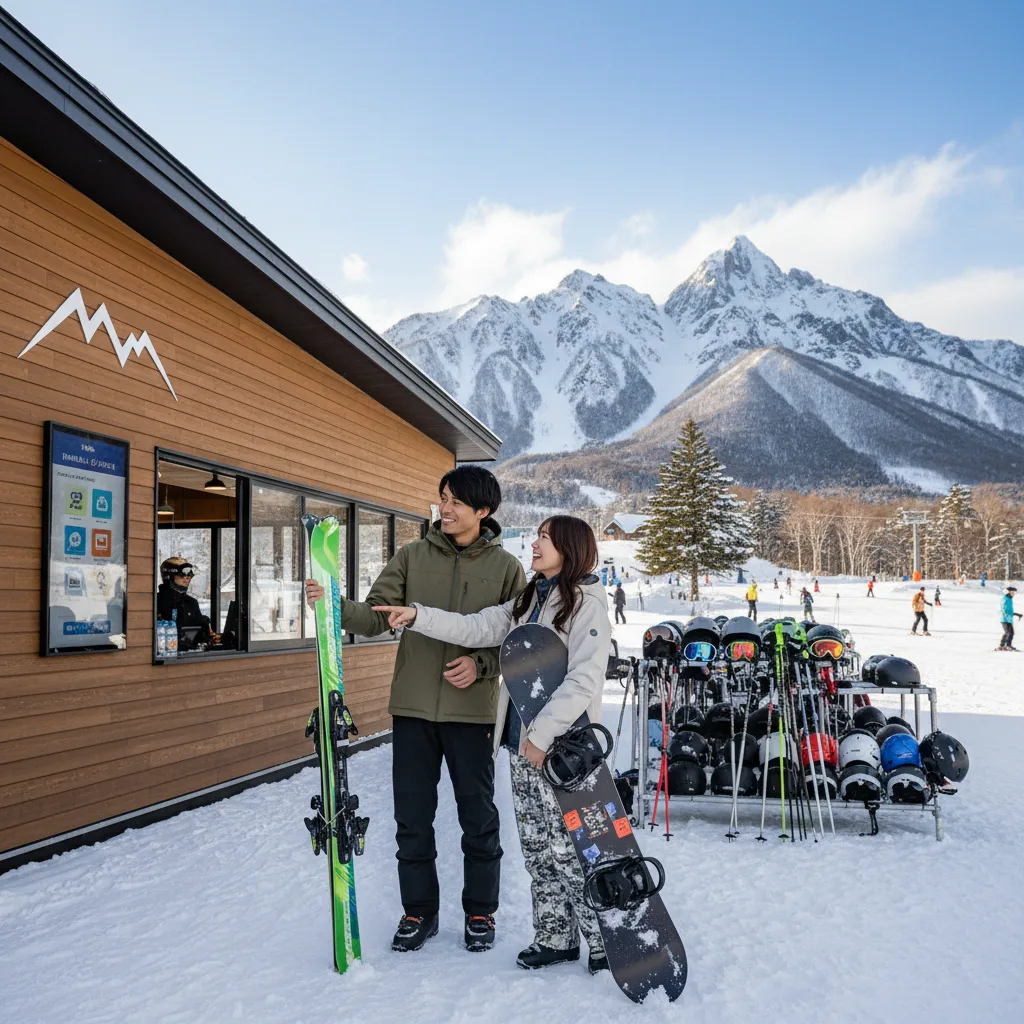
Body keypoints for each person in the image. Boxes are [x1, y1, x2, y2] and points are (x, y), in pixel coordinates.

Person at [372, 516, 612, 974]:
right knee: (537, 847)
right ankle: (555, 937)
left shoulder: (586, 602)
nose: (535, 544)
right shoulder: (529, 599)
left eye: (545, 537)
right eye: (537, 536)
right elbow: (476, 627)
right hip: (522, 748)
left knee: (568, 848)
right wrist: (419, 615)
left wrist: (542, 737)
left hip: (562, 751)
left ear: (570, 546)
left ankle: (602, 943)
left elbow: (584, 679)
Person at [304, 466, 526, 954]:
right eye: (441, 498)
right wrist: (335, 605)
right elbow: (376, 616)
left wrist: (483, 665)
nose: (444, 508)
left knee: (479, 819)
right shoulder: (412, 555)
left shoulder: (508, 569)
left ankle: (480, 913)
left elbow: (517, 644)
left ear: (483, 511)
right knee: (412, 818)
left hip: (472, 716)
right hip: (413, 709)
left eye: (455, 502)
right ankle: (418, 912)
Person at [157, 557, 214, 650]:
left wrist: (205, 630)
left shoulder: (191, 603)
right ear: (168, 576)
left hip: (190, 658)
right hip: (166, 658)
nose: (187, 577)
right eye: (182, 574)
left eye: (189, 575)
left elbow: (200, 638)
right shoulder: (157, 601)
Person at [999, 585, 1021, 650]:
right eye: (1012, 592)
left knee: (1008, 633)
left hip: (1008, 619)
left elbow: (1009, 610)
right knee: (1010, 633)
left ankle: (1002, 645)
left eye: (1014, 593)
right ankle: (1008, 645)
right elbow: (1003, 608)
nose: (1014, 594)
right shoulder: (1005, 598)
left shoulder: (1009, 599)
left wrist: (1016, 614)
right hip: (1005, 619)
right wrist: (1006, 615)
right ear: (1008, 592)